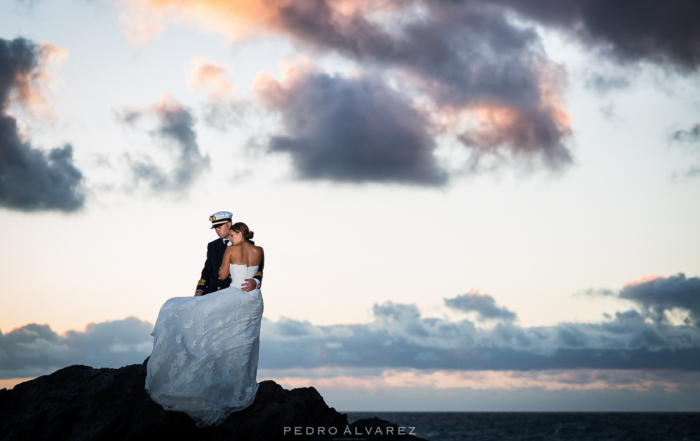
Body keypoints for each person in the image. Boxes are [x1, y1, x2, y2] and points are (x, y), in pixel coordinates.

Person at [145, 221, 264, 427]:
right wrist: (255, 282)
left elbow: (221, 275)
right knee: (244, 343)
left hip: (234, 295)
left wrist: (248, 277)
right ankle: (237, 389)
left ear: (235, 231)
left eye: (230, 234)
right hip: (254, 300)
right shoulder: (259, 249)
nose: (226, 237)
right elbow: (259, 270)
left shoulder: (232, 249)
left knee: (184, 313)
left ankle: (219, 383)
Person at [195, 211, 263, 296]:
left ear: (229, 224)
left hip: (235, 293)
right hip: (213, 292)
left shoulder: (249, 245)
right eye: (215, 228)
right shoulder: (212, 245)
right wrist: (200, 289)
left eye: (219, 227)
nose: (216, 230)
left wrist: (256, 282)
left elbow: (258, 269)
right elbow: (207, 270)